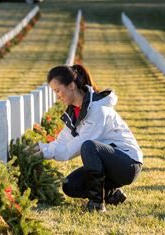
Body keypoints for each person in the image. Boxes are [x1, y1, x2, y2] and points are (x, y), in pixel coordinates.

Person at [35, 64, 143, 212]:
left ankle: (96, 204)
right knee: (70, 185)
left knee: (88, 146)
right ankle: (111, 194)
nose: (57, 96)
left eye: (58, 91)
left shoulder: (98, 109)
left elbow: (75, 147)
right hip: (110, 164)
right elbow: (62, 142)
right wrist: (41, 149)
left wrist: (43, 152)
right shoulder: (74, 112)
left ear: (71, 85)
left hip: (128, 164)